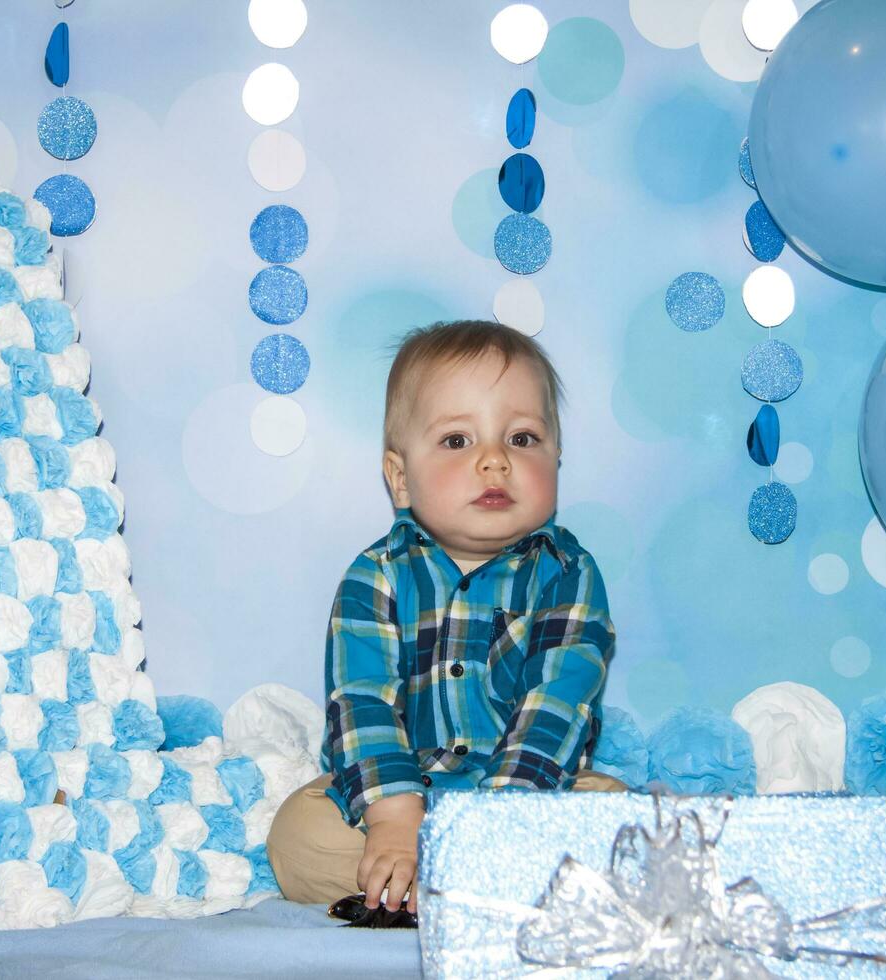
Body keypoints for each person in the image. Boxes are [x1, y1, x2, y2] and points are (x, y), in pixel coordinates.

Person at [266, 320, 622, 920]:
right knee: (297, 836)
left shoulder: (568, 573)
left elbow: (558, 702)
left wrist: (501, 823)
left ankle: (435, 887)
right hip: (402, 794)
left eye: (523, 438)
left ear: (557, 459)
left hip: (526, 792)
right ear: (400, 477)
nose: (494, 462)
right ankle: (454, 883)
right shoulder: (375, 576)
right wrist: (395, 822)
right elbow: (361, 703)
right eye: (458, 441)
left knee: (618, 821)